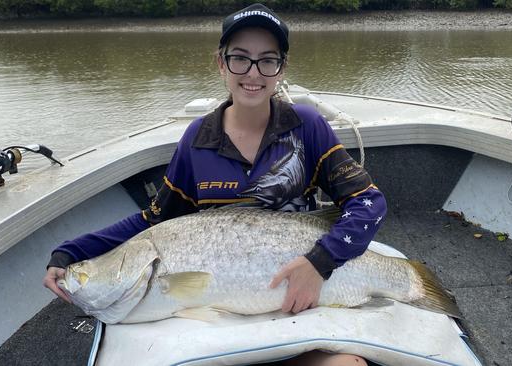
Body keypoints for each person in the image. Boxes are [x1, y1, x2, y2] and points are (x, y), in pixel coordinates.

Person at [43, 3, 386, 365]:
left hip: (301, 296)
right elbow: (153, 220)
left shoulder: (307, 125)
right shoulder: (197, 139)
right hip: (223, 321)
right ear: (221, 63)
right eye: (240, 58)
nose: (253, 73)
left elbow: (369, 203)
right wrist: (71, 251)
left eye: (267, 60)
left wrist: (319, 263)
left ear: (281, 68)